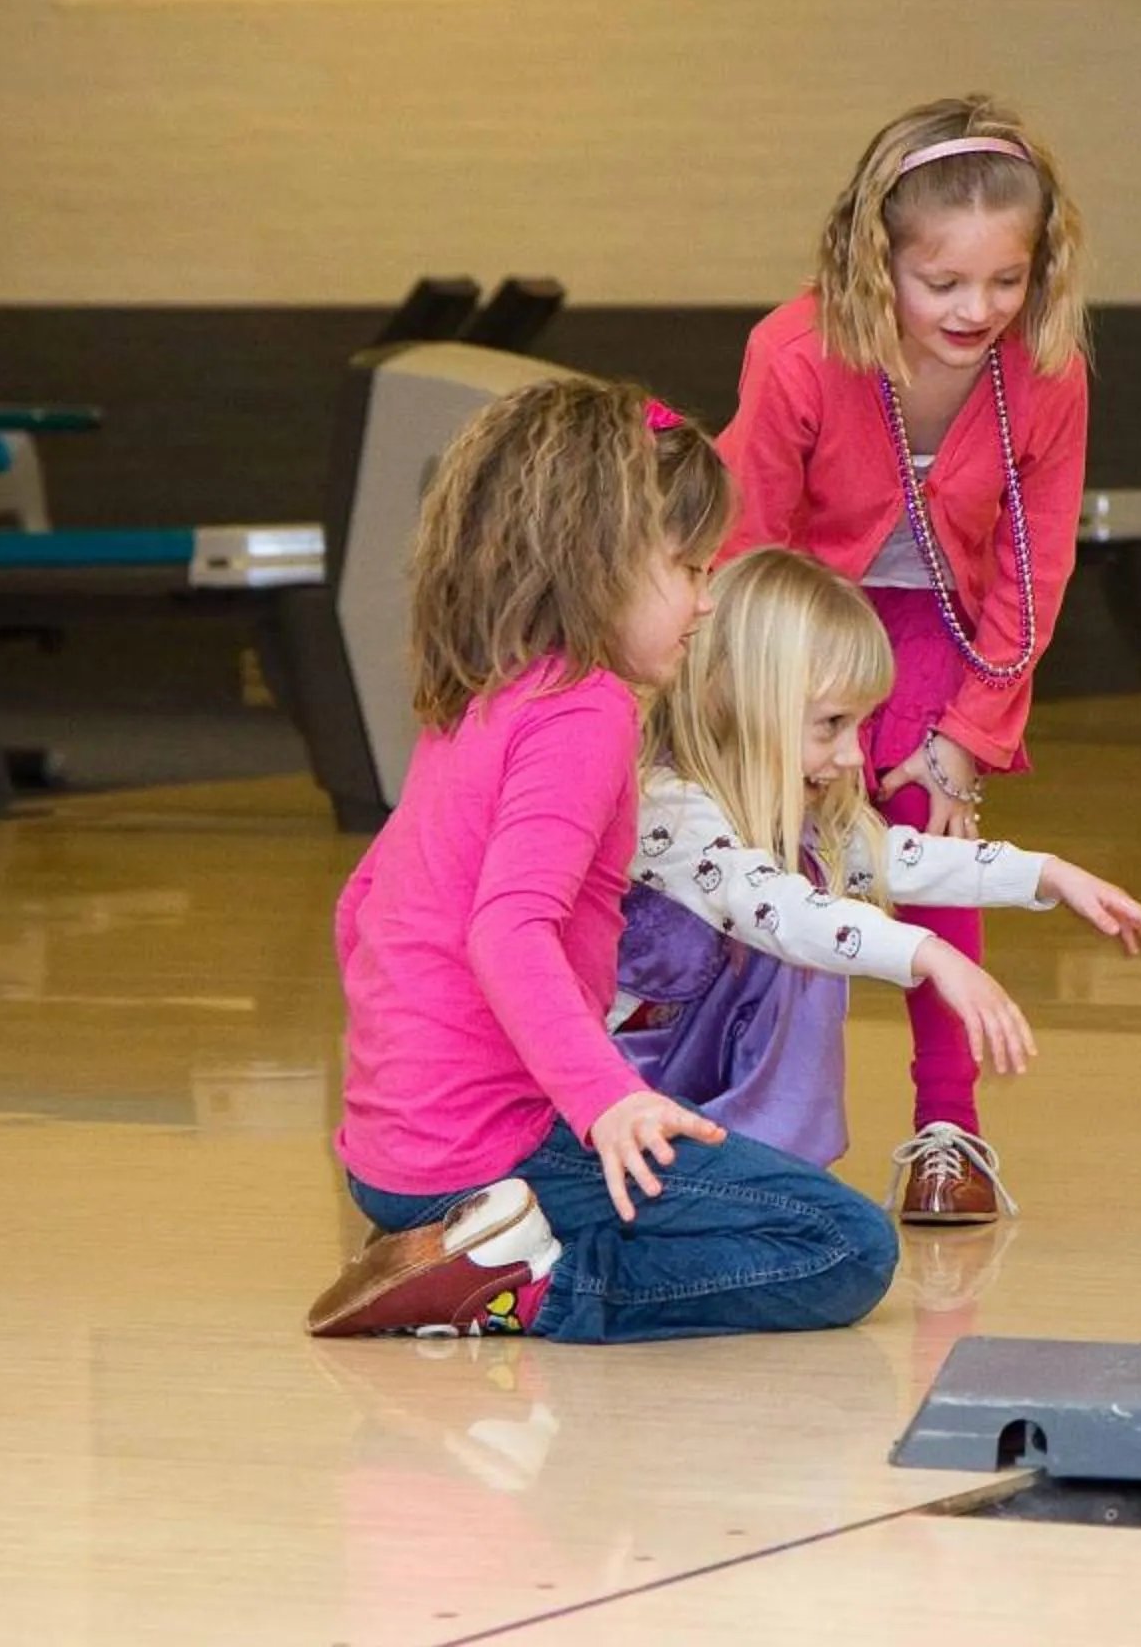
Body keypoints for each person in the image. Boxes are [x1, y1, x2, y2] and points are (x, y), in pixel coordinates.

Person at [303, 380, 898, 1343]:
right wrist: (606, 1100)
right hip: (498, 1154)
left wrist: (402, 1095)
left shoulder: (479, 700)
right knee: (844, 1244)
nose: (707, 601)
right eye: (691, 569)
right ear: (598, 563)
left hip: (389, 1161)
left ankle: (475, 1249)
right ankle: (522, 1289)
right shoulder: (588, 710)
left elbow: (363, 902)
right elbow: (509, 929)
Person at [720, 92, 1091, 1224]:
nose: (978, 309)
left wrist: (969, 736)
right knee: (774, 866)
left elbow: (1038, 570)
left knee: (931, 849)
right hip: (796, 631)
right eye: (944, 284)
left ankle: (950, 1129)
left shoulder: (1049, 371)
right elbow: (748, 543)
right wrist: (765, 715)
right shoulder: (794, 352)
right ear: (875, 259)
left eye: (1007, 280)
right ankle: (749, 1129)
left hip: (942, 627)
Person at [611, 549, 1141, 1197]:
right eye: (830, 726)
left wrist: (1047, 875)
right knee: (807, 938)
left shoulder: (790, 813)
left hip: (681, 1108)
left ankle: (761, 1174)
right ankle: (754, 1180)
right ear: (734, 701)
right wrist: (929, 953)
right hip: (617, 1105)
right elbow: (779, 910)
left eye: (861, 725)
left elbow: (898, 857)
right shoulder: (669, 808)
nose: (854, 757)